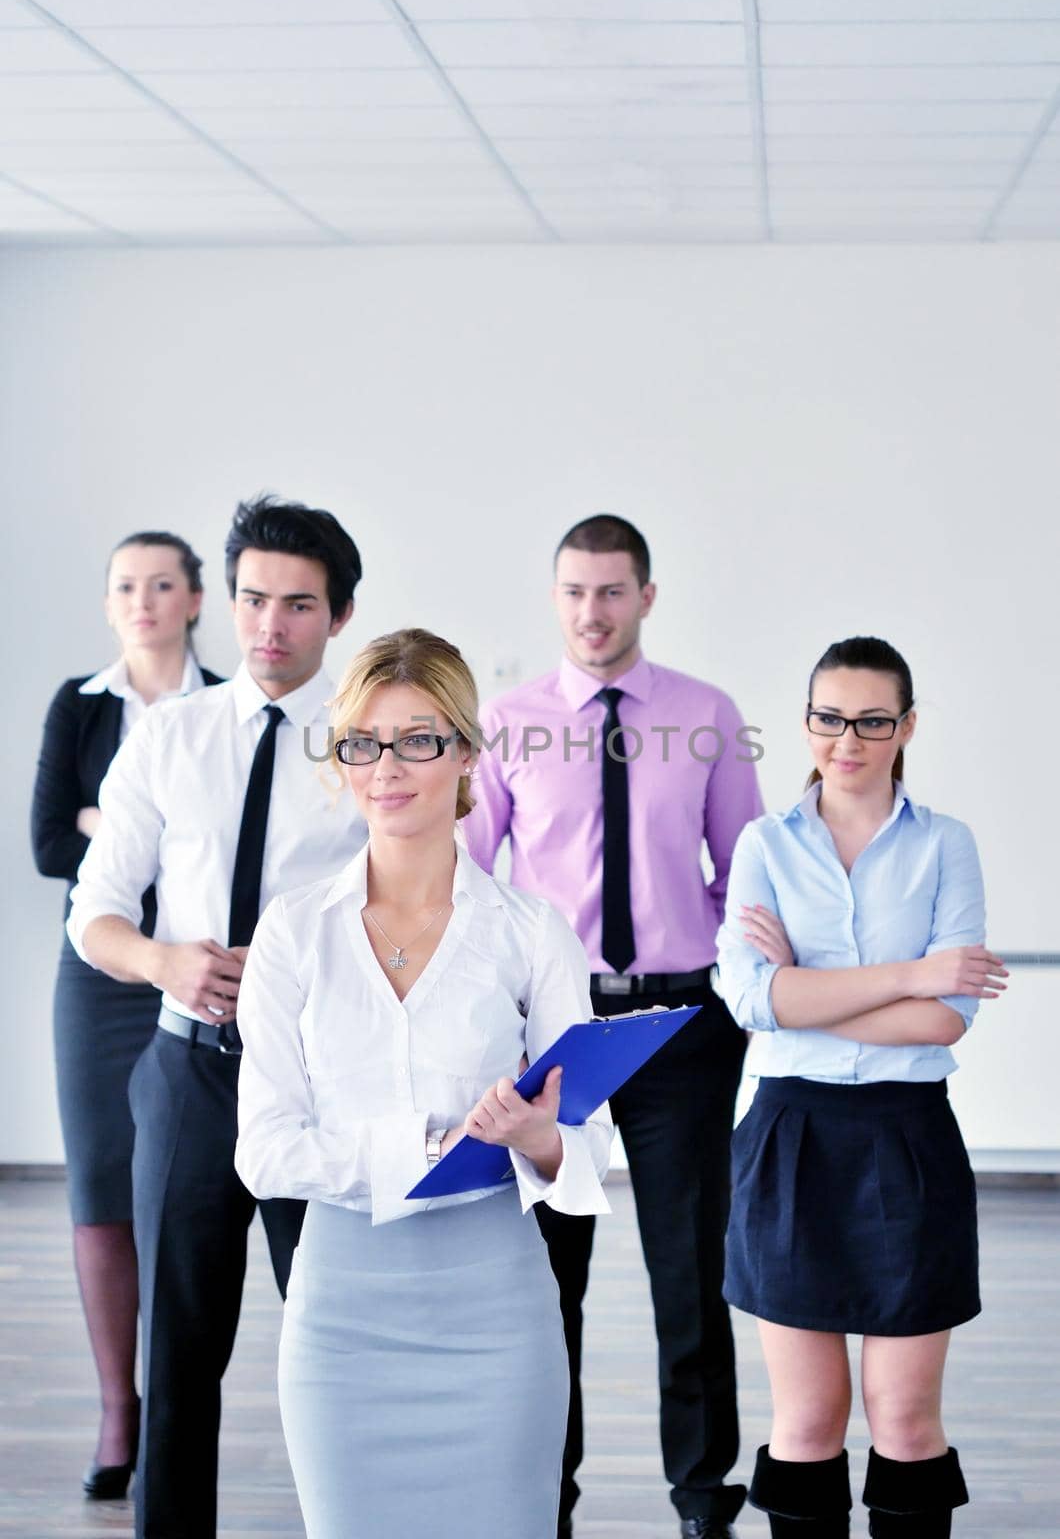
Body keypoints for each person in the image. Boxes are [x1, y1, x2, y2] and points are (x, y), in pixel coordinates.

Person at [234, 628, 612, 1539]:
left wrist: (535, 1137)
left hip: (499, 1317)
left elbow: (588, 1146)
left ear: (468, 752)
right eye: (363, 742)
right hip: (338, 1323)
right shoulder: (294, 932)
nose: (387, 767)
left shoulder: (531, 931)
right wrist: (431, 1149)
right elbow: (263, 1150)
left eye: (419, 738)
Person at [66, 495, 365, 1539]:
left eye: (296, 605)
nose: (268, 626)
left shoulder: (368, 749)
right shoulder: (170, 738)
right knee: (180, 1351)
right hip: (189, 1071)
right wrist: (162, 960)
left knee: (331, 1339)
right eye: (250, 601)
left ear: (338, 616)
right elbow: (92, 915)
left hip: (319, 1082)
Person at [463, 514, 762, 1539]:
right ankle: (545, 1497)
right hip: (558, 1028)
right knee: (553, 1276)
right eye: (575, 592)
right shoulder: (506, 723)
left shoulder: (707, 715)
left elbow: (743, 875)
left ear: (645, 595)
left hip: (680, 1024)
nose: (593, 612)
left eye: (611, 591)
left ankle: (700, 1495)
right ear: (555, 599)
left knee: (688, 1266)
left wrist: (720, 989)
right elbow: (471, 883)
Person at [714, 635, 1006, 1539]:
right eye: (830, 718)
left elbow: (945, 1019)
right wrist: (908, 971)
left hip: (907, 1135)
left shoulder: (946, 843)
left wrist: (809, 988)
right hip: (791, 1136)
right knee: (805, 1423)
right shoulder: (763, 843)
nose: (849, 739)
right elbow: (751, 1001)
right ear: (806, 725)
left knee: (906, 1422)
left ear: (905, 726)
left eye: (873, 721)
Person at [30, 529, 222, 1499]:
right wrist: (141, 820)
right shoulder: (82, 704)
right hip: (99, 974)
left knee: (183, 1193)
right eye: (123, 586)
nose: (141, 600)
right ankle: (119, 1408)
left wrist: (116, 822)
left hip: (198, 973)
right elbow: (46, 841)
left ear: (195, 599)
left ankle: (180, 1393)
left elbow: (225, 844)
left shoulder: (228, 708)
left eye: (161, 584)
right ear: (108, 605)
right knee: (101, 1186)